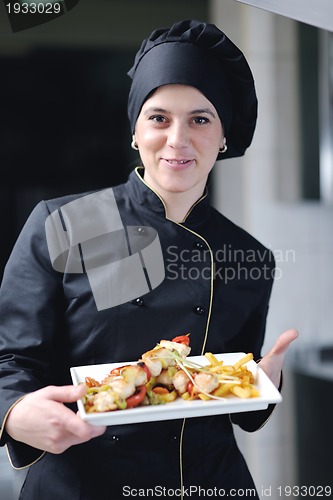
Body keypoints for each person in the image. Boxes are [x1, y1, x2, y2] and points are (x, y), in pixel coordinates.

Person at [0, 19, 298, 499]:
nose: (177, 139)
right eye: (159, 118)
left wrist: (263, 383)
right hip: (81, 487)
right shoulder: (66, 223)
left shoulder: (249, 256)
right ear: (136, 132)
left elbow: (234, 407)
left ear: (223, 136)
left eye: (200, 119)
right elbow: (10, 357)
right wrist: (13, 413)